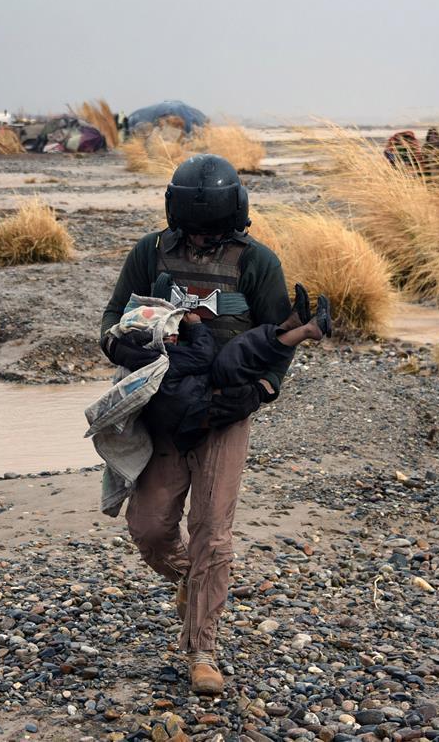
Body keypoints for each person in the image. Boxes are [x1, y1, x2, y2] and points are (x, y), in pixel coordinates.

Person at [100, 153, 294, 695]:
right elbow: (113, 313)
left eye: (213, 233)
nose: (203, 242)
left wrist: (262, 389)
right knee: (150, 528)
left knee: (213, 530)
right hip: (161, 410)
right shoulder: (150, 252)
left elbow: (279, 337)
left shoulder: (258, 262)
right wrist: (118, 343)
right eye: (194, 231)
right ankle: (192, 580)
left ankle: (201, 652)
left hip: (225, 411)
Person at [131, 284, 331, 453]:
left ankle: (290, 325)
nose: (174, 336)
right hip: (202, 404)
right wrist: (196, 327)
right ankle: (307, 330)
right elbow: (203, 356)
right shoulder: (164, 358)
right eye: (167, 335)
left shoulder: (143, 357)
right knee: (239, 353)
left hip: (197, 398)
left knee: (242, 350)